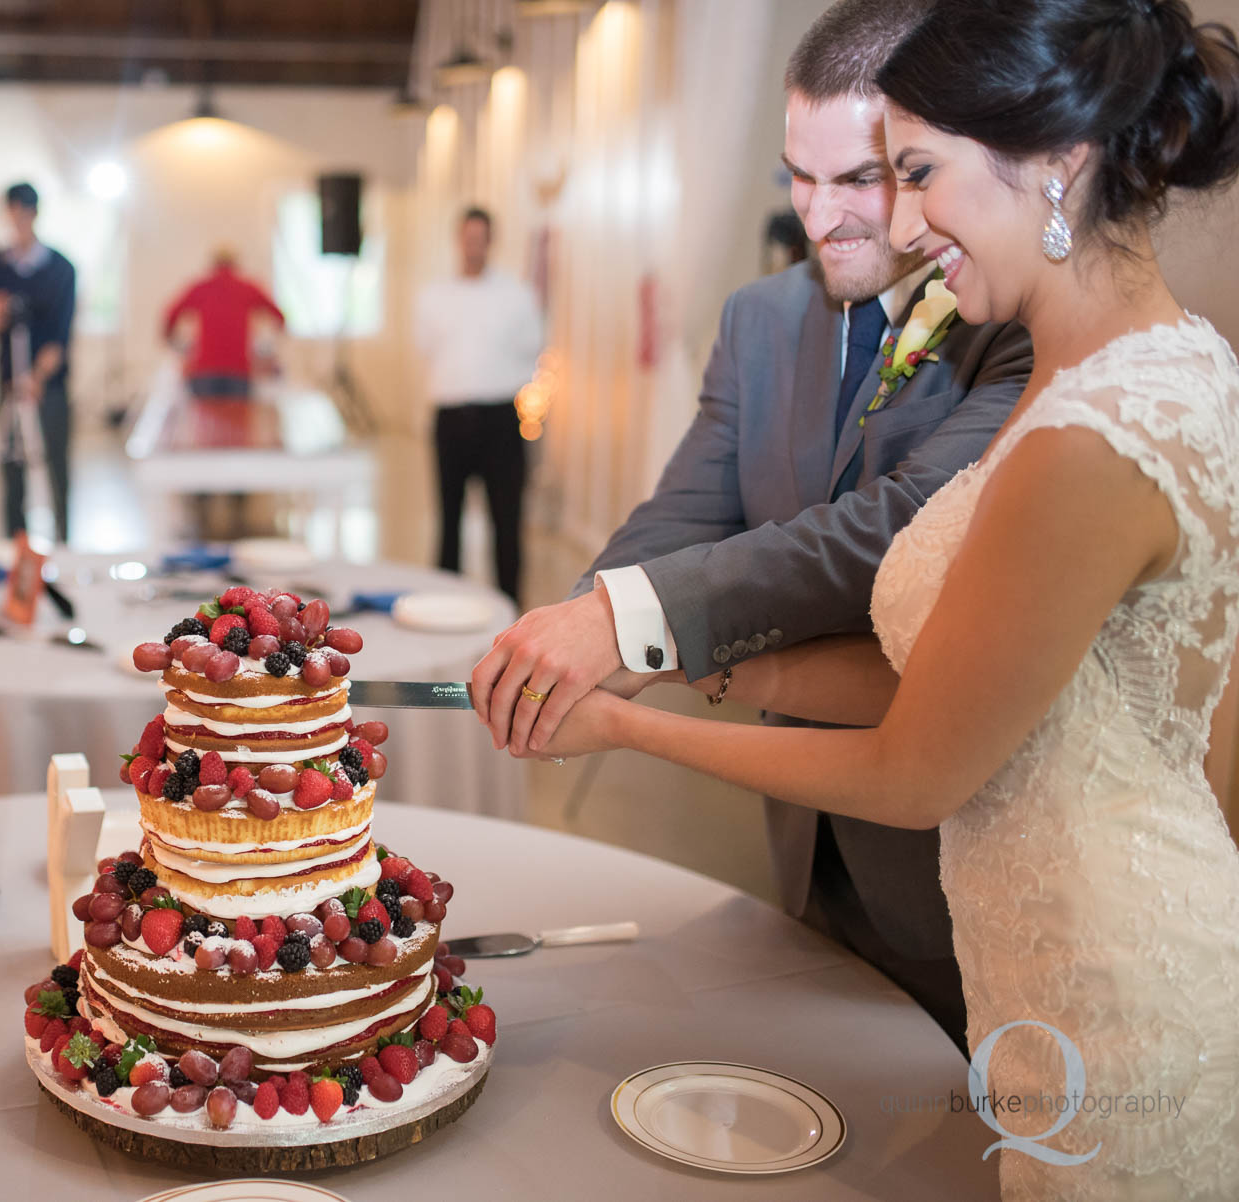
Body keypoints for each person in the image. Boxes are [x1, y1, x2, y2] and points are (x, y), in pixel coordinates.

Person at [502, 0, 1239, 1194]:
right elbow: (986, 657)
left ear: (1060, 161)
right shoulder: (1154, 365)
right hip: (1066, 925)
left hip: (1105, 974)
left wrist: (632, 715)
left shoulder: (1084, 425)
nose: (890, 221)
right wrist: (641, 642)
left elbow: (917, 763)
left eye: (914, 173)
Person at [473, 0, 1034, 1051]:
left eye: (857, 178)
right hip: (803, 837)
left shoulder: (1014, 322)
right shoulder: (761, 316)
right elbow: (685, 508)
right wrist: (580, 628)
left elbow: (889, 526)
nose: (819, 218)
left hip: (971, 847)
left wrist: (642, 629)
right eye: (798, 175)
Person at [414, 207, 545, 604]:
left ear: (490, 241)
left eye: (480, 238)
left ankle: (510, 606)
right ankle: (443, 603)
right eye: (467, 238)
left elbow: (531, 347)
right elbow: (425, 348)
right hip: (451, 419)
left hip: (500, 420)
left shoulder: (516, 295)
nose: (473, 246)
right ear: (459, 239)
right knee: (448, 520)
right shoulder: (434, 295)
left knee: (506, 520)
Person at [0, 182, 76, 543]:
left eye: (24, 211)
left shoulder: (61, 269)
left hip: (48, 385)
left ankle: (63, 545)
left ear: (35, 213)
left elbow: (61, 335)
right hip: (9, 382)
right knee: (10, 468)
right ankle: (16, 548)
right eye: (12, 212)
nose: (18, 219)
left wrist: (37, 377)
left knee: (55, 467)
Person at [162, 248, 284, 399]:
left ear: (213, 264)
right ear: (234, 264)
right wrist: (268, 349)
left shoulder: (201, 287)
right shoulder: (247, 287)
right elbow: (279, 317)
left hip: (204, 371)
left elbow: (170, 316)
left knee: (203, 420)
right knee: (239, 420)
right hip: (239, 370)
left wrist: (177, 348)